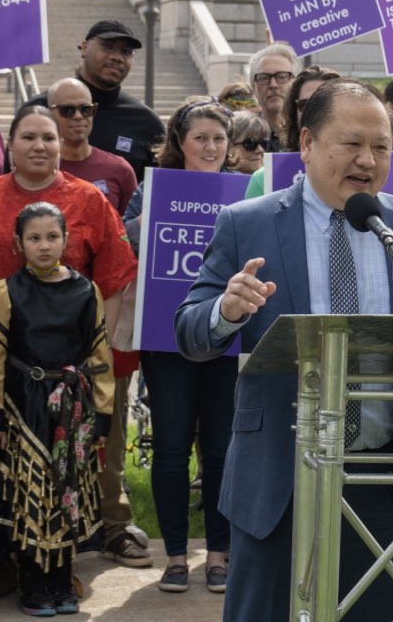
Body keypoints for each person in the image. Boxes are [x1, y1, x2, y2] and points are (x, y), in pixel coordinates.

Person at [174, 79, 393, 621]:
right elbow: (190, 332)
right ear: (306, 144)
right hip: (280, 478)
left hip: (388, 477)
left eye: (381, 146)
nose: (368, 159)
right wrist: (227, 312)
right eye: (351, 143)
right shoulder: (250, 222)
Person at [0, 106, 141, 589]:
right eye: (28, 137)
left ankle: (59, 565)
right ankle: (9, 560)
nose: (40, 145)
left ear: (62, 145)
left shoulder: (90, 201)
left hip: (66, 365)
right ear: (9, 144)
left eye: (49, 138)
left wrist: (97, 351)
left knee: (66, 466)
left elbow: (116, 276)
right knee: (1, 461)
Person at [0, 202, 114, 617]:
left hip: (72, 408)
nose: (43, 245)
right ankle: (33, 581)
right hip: (25, 406)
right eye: (34, 238)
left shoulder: (85, 291)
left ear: (66, 241)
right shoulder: (5, 291)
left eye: (52, 237)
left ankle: (61, 578)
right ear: (19, 243)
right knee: (30, 493)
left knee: (66, 489)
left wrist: (102, 418)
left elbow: (99, 354)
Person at [138, 99, 237, 594]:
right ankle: (175, 556)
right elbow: (127, 241)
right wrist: (154, 215)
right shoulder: (151, 190)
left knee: (220, 452)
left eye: (218, 139)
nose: (211, 147)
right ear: (179, 142)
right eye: (200, 138)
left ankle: (218, 554)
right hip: (165, 343)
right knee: (173, 451)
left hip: (228, 342)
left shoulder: (247, 194)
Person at [26, 20, 164, 180]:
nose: (117, 57)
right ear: (84, 47)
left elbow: (153, 195)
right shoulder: (40, 109)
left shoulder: (147, 123)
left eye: (126, 52)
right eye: (108, 47)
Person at [244, 65, 340, 199]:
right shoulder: (264, 180)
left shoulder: (364, 173)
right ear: (293, 113)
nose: (314, 111)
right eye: (304, 104)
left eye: (324, 103)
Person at [48, 78, 138, 216]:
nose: (78, 116)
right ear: (50, 113)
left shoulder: (120, 169)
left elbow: (131, 231)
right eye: (68, 110)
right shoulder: (39, 169)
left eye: (86, 109)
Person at [247, 42, 300, 152]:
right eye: (264, 78)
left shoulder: (309, 135)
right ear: (253, 87)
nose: (273, 85)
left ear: (296, 83)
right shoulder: (243, 139)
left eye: (282, 76)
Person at [228, 109, 271, 175]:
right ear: (228, 147)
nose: (260, 150)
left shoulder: (274, 182)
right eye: (250, 144)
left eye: (264, 143)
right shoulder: (216, 182)